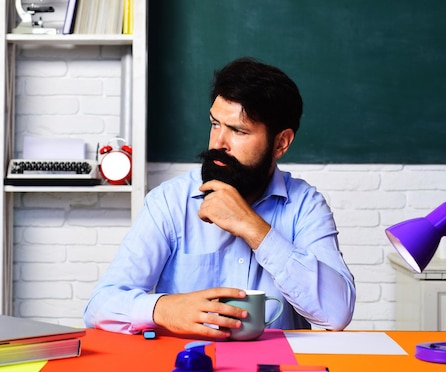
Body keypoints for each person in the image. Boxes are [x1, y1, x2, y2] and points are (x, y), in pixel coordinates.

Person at [83, 57, 356, 339]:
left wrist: (253, 228)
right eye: (215, 124)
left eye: (238, 130)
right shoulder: (170, 201)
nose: (217, 143)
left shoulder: (305, 206)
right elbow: (99, 306)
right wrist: (163, 309)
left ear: (281, 143)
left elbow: (336, 314)